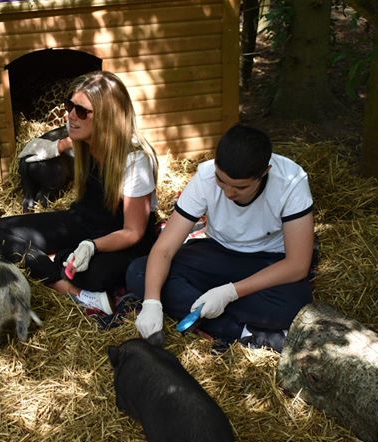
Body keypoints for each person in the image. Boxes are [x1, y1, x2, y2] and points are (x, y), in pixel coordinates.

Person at [126, 124, 316, 352]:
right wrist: (151, 302)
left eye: (240, 187)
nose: (228, 192)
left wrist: (230, 292)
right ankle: (244, 333)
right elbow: (165, 248)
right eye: (221, 181)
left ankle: (213, 317)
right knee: (140, 272)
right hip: (216, 253)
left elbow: (297, 265)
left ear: (264, 172)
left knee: (295, 306)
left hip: (268, 261)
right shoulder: (205, 177)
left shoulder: (291, 181)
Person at [0, 71, 159, 315]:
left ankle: (59, 266)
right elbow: (65, 143)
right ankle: (76, 293)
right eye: (69, 106)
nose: (70, 116)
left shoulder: (134, 159)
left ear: (107, 117)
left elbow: (133, 232)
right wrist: (51, 148)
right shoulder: (82, 142)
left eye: (82, 111)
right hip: (83, 222)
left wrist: (91, 245)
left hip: (119, 237)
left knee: (91, 273)